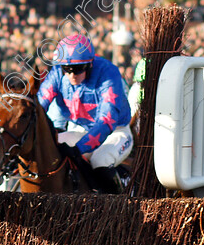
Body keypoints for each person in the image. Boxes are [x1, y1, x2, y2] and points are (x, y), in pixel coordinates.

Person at [37, 34, 133, 194]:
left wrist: (79, 149)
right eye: (66, 69)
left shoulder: (108, 73)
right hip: (81, 130)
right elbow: (39, 106)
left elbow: (107, 120)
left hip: (117, 132)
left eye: (78, 68)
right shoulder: (56, 73)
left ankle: (125, 198)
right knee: (49, 150)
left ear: (89, 65)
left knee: (100, 161)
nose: (72, 75)